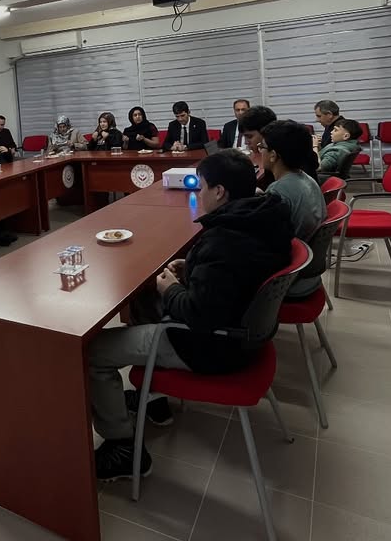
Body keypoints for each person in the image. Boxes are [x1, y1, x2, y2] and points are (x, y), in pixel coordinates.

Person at [86, 149, 293, 480]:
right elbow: (229, 278)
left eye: (201, 186)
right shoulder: (266, 217)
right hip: (243, 327)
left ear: (219, 191)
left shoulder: (225, 240)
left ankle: (122, 448)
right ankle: (153, 401)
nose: (198, 193)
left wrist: (171, 289)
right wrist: (194, 269)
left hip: (212, 344)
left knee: (94, 351)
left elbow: (198, 315)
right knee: (143, 299)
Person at [259, 121, 328, 298]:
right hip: (307, 272)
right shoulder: (306, 179)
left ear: (273, 155)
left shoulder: (278, 191)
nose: (260, 151)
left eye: (262, 147)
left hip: (286, 281)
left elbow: (265, 243)